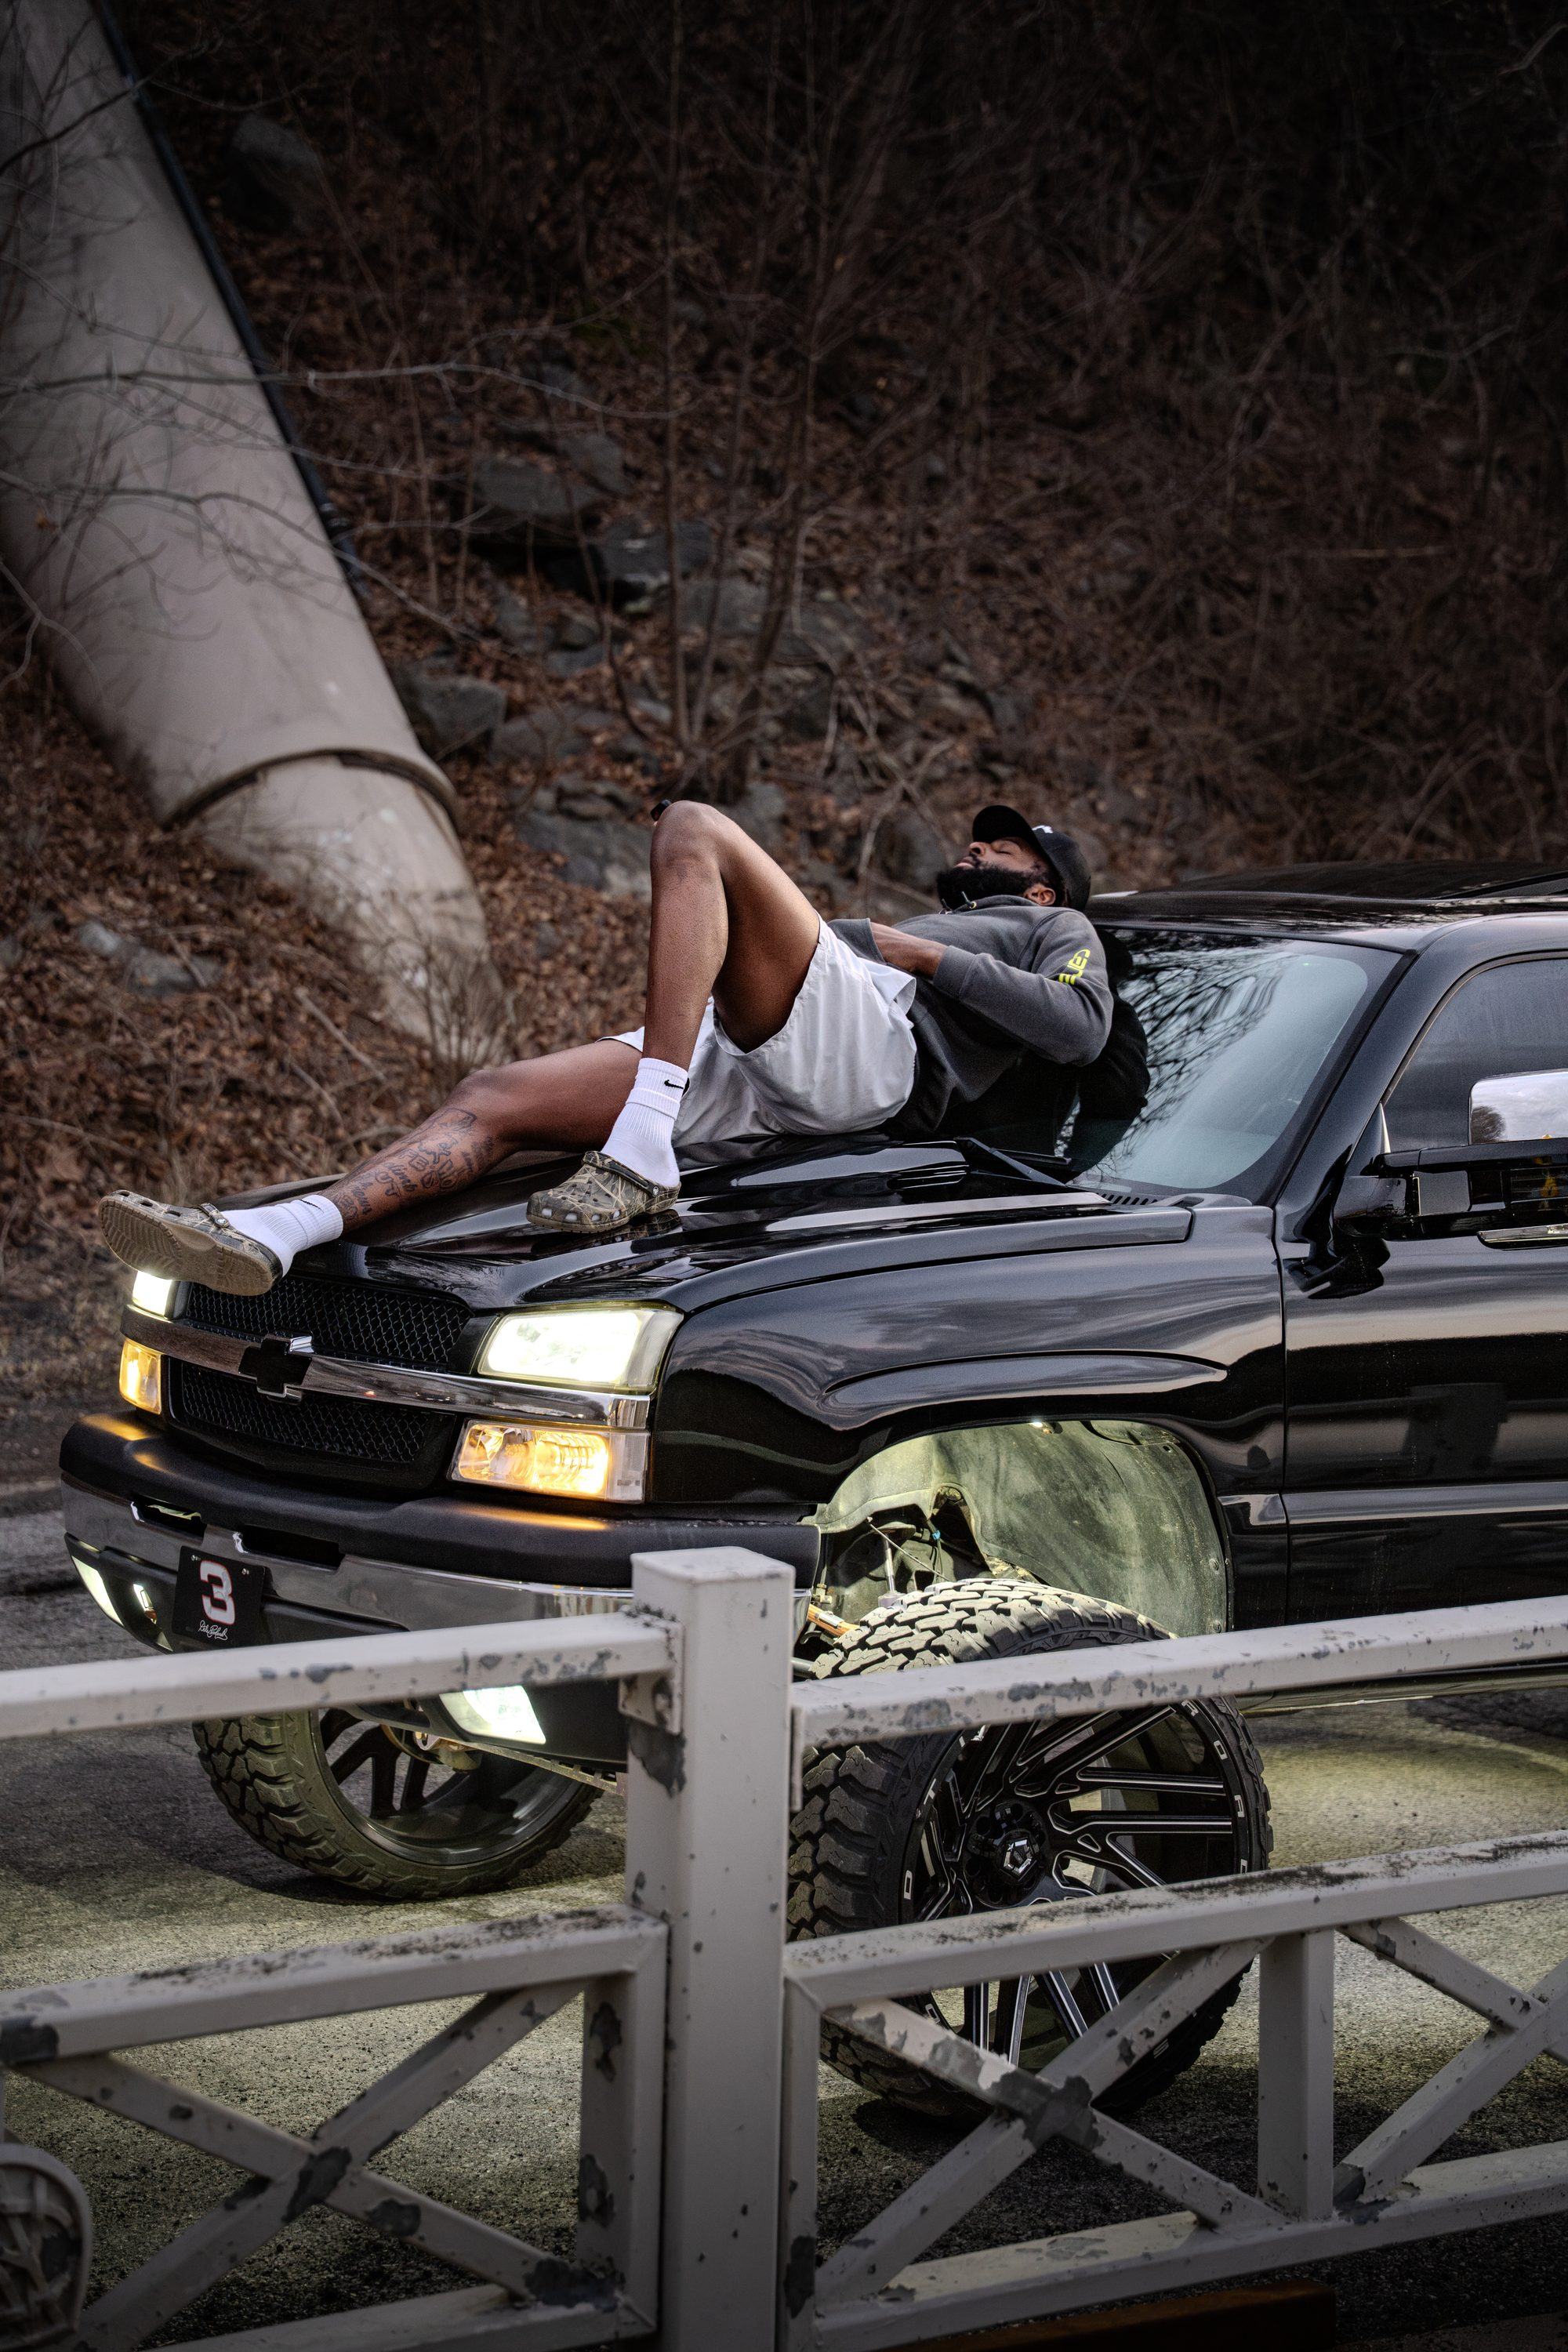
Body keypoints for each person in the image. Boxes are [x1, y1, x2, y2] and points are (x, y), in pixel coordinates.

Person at [98, 798, 1112, 1298]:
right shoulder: (931, 927)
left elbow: (1077, 1029)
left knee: (694, 829)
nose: (976, 847)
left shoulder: (1051, 930)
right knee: (497, 1096)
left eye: (1005, 845)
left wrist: (907, 952)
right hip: (764, 1057)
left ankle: (642, 1146)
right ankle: (283, 1234)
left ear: (1040, 886)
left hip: (878, 1057)